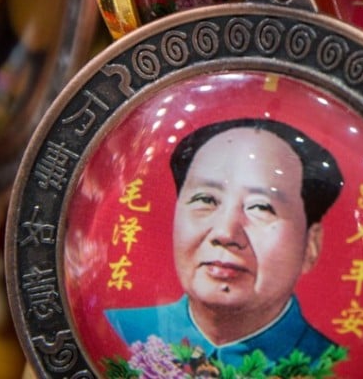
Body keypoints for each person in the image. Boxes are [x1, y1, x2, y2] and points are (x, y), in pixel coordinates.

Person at [104, 118, 345, 369]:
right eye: (206, 199)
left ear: (310, 246)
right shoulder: (119, 334)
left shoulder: (335, 366)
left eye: (261, 207)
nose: (225, 233)